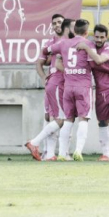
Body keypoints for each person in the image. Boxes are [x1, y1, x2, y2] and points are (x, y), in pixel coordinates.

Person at [45, 19, 93, 161]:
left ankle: (61, 153)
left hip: (68, 86)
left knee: (68, 120)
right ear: (86, 32)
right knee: (83, 119)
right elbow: (95, 62)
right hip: (83, 86)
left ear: (74, 31)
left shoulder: (63, 43)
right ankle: (78, 151)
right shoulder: (88, 44)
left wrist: (51, 53)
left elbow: (47, 50)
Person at [79, 24, 109, 161]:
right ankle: (106, 153)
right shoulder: (91, 46)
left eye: (102, 37)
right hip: (100, 90)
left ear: (106, 37)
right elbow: (92, 64)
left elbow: (97, 60)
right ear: (93, 36)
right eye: (96, 36)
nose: (99, 39)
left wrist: (87, 49)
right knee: (102, 121)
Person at [34, 14, 65, 160]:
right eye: (54, 23)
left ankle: (60, 152)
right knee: (50, 116)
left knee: (64, 117)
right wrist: (43, 77)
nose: (57, 25)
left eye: (59, 22)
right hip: (53, 81)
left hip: (67, 81)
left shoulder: (70, 41)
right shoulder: (49, 43)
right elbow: (39, 63)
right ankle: (48, 152)